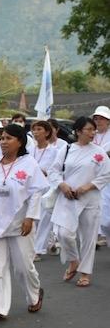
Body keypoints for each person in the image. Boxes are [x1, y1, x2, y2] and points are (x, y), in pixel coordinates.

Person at [0, 124, 48, 322]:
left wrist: (30, 217)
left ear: (20, 141)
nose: (3, 142)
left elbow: (36, 193)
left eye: (8, 138)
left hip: (20, 224)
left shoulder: (29, 163)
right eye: (2, 138)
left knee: (23, 267)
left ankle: (34, 295)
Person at [49, 117, 110, 287]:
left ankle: (85, 273)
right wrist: (62, 185)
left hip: (90, 199)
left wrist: (88, 186)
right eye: (89, 129)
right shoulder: (67, 149)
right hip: (69, 198)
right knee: (64, 234)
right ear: (78, 131)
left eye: (94, 129)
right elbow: (54, 171)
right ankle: (74, 260)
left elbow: (106, 173)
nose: (92, 133)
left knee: (88, 237)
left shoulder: (99, 152)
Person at [30, 121, 59, 260]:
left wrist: (42, 171)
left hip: (47, 188)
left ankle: (38, 249)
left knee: (44, 220)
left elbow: (55, 170)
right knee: (33, 219)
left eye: (39, 129)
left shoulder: (54, 151)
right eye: (34, 129)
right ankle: (50, 240)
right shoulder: (30, 150)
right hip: (32, 188)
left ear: (47, 132)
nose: (36, 132)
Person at [91, 106, 110, 245]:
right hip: (93, 175)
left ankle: (104, 232)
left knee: (105, 204)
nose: (99, 121)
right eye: (96, 118)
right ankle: (99, 233)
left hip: (108, 175)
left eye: (102, 118)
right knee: (98, 204)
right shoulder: (91, 134)